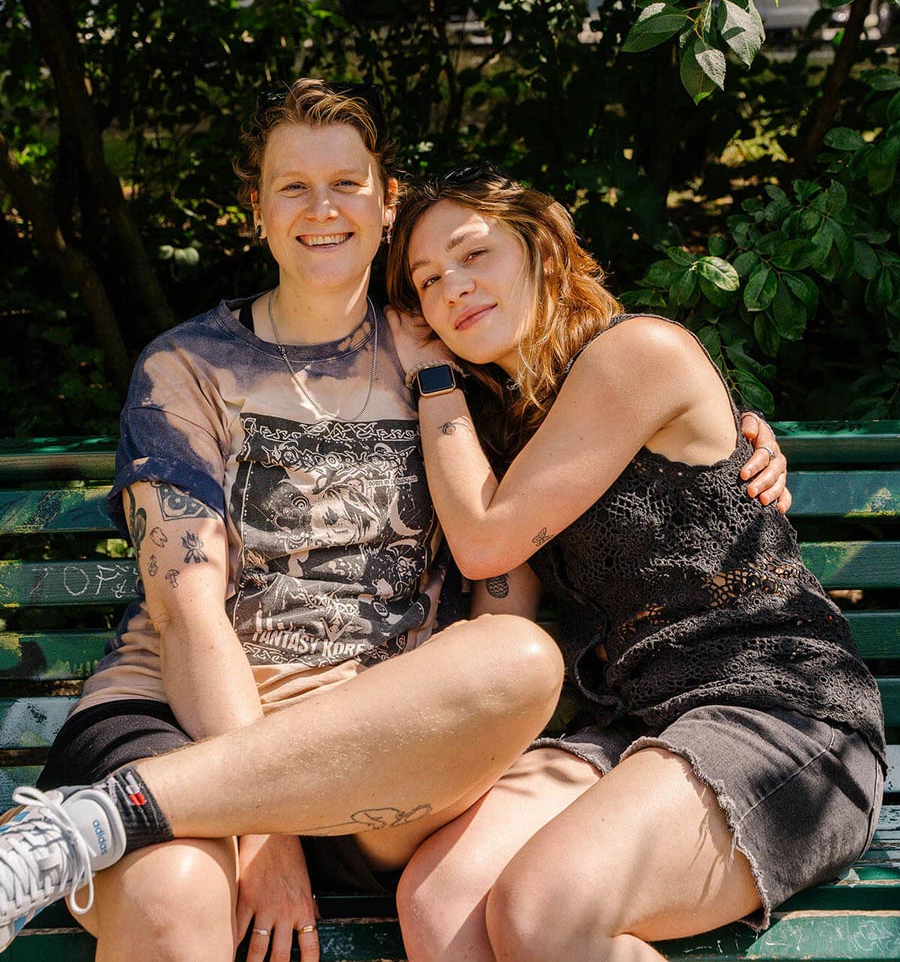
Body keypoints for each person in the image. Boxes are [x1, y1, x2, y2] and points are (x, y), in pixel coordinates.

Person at [0, 86, 787, 961]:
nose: (322, 208)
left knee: (518, 658)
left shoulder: (444, 349)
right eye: (290, 187)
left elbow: (584, 405)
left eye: (346, 182)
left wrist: (739, 429)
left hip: (380, 750)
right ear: (254, 208)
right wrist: (264, 832)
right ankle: (90, 824)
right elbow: (187, 609)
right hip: (176, 718)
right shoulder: (188, 369)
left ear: (385, 203)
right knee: (177, 892)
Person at [383, 164, 885, 962]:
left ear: (541, 248)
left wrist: (432, 378)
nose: (452, 288)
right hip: (630, 722)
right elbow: (500, 610)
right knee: (440, 898)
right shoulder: (507, 437)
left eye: (475, 255)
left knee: (543, 908)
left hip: (781, 713)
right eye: (427, 280)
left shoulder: (636, 353)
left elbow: (484, 538)